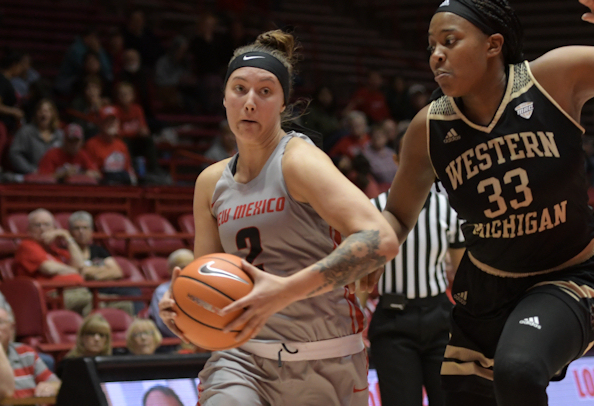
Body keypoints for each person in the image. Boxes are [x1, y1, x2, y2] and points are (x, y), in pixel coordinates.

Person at [159, 30, 398, 406]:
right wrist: (187, 313)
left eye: (265, 91)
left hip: (326, 361)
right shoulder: (210, 182)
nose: (250, 102)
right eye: (239, 89)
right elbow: (208, 286)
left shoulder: (299, 161)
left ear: (284, 103)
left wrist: (281, 292)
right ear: (223, 98)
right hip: (242, 359)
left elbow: (381, 239)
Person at [380, 0, 594, 405]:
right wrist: (365, 252)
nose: (436, 55)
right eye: (430, 46)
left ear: (493, 44)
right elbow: (397, 215)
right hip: (486, 292)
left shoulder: (552, 76)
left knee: (518, 370)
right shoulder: (429, 126)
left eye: (449, 41)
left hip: (571, 272)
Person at [366, 130, 465, 406]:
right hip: (393, 322)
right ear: (397, 159)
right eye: (413, 156)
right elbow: (361, 274)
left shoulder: (448, 210)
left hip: (440, 320)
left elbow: (464, 277)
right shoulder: (373, 209)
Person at [14, 209, 92, 315]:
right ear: (29, 229)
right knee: (91, 300)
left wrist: (67, 237)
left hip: (73, 291)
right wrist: (75, 271)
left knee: (116, 303)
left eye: (46, 225)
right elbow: (49, 268)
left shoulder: (55, 250)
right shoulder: (27, 246)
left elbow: (81, 265)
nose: (42, 229)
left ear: (54, 228)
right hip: (47, 297)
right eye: (37, 225)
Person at [68, 210, 142, 315]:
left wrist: (94, 275)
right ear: (70, 232)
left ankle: (140, 321)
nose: (81, 232)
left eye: (85, 228)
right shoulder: (67, 251)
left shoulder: (98, 250)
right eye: (77, 228)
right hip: (84, 290)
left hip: (104, 287)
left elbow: (117, 272)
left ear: (91, 231)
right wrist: (102, 271)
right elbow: (79, 272)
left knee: (132, 290)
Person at [0, 307, 61, 399]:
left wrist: (51, 387)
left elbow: (57, 384)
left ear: (12, 328)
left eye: (0, 322)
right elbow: (5, 391)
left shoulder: (26, 352)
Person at [84, 105, 136, 185]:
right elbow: (90, 172)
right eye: (107, 121)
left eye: (114, 120)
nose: (111, 124)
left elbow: (128, 170)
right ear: (100, 123)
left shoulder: (122, 145)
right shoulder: (91, 144)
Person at [9, 98, 63, 175]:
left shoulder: (60, 135)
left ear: (53, 114)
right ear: (36, 114)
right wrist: (30, 170)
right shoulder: (26, 132)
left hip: (55, 177)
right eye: (40, 111)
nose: (43, 114)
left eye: (47, 111)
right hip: (30, 177)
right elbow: (14, 153)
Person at [149, 248, 194, 338]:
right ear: (170, 270)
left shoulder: (203, 287)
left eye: (190, 266)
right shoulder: (162, 291)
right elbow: (164, 326)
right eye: (182, 267)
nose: (186, 270)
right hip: (172, 343)